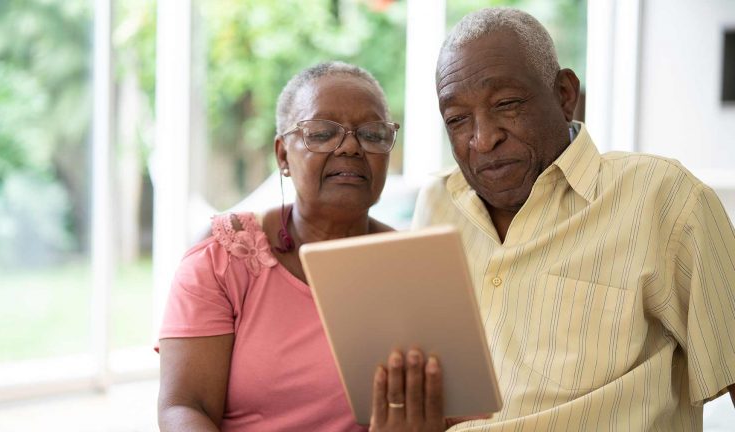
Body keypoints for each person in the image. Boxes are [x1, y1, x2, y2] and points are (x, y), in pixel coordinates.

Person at [413, 7, 735, 431]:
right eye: (457, 119)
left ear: (565, 94)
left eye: (506, 104)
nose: (483, 138)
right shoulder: (437, 204)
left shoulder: (664, 198)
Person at [156, 61, 449, 432]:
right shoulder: (224, 257)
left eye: (372, 134)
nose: (351, 148)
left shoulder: (416, 268)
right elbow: (185, 406)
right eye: (322, 133)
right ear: (282, 156)